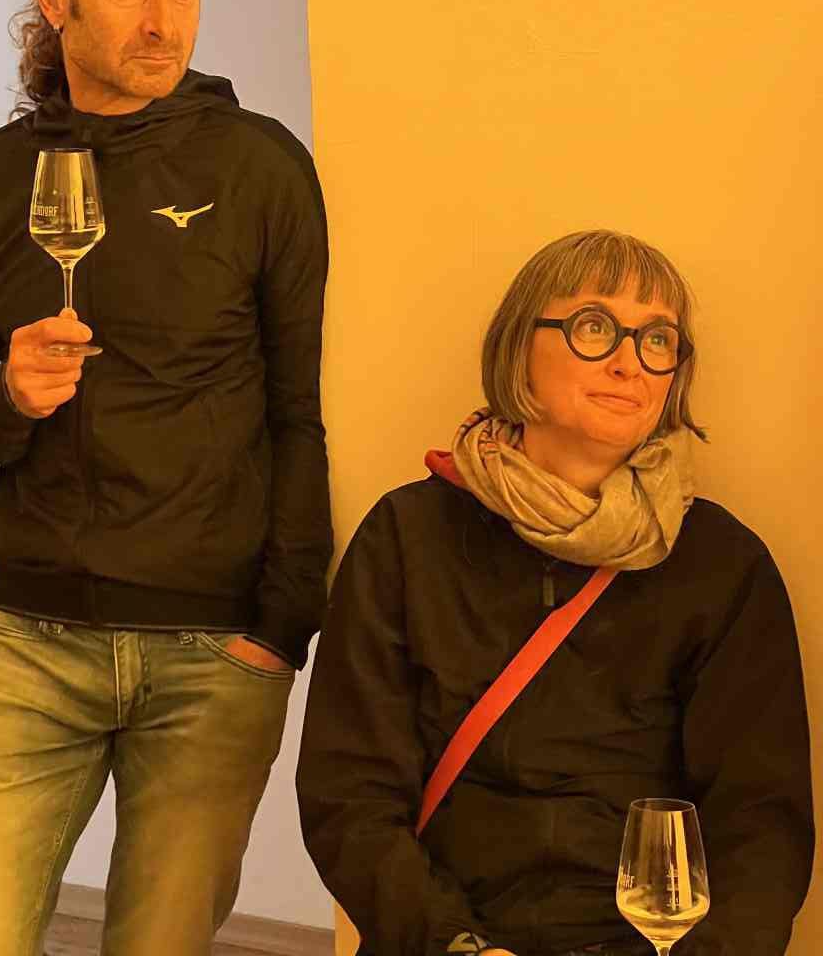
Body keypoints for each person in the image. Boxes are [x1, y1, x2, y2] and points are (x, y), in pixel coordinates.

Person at [0, 0, 331, 956]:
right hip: (32, 642)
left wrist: (281, 630)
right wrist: (6, 393)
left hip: (210, 654)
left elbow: (297, 411)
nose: (164, 18)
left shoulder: (262, 167)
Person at [296, 230, 813, 956]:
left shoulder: (723, 563)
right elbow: (349, 796)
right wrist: (457, 947)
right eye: (594, 327)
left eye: (657, 339)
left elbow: (761, 824)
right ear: (519, 347)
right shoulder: (408, 536)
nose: (630, 362)